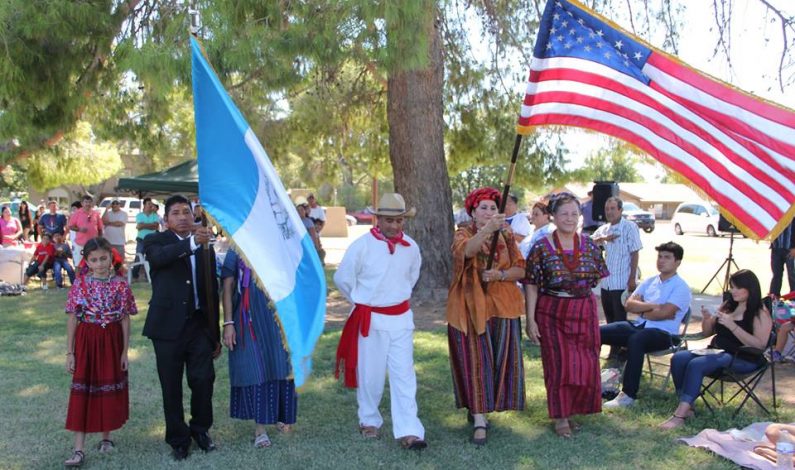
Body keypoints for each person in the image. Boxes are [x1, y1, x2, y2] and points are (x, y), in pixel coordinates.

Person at [334, 193, 427, 450]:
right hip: (371, 319)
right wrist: (361, 302)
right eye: (389, 220)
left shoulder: (411, 247)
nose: (395, 226)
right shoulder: (362, 246)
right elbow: (342, 278)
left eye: (399, 221)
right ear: (378, 220)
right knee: (370, 373)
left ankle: (410, 429)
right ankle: (369, 419)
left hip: (401, 319)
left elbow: (412, 277)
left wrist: (393, 297)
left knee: (404, 375)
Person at [524, 192, 608, 438]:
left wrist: (598, 315)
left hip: (584, 311)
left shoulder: (590, 245)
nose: (570, 218)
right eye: (564, 213)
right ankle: (561, 417)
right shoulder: (541, 246)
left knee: (584, 364)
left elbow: (598, 282)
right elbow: (530, 284)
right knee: (559, 364)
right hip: (552, 311)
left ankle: (572, 411)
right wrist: (530, 320)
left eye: (574, 213)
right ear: (553, 216)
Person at [447, 187, 526, 445]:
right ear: (472, 211)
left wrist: (501, 275)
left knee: (498, 361)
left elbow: (520, 269)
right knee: (476, 360)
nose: (489, 212)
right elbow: (467, 251)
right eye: (484, 208)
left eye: (493, 208)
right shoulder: (464, 232)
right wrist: (487, 230)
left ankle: (486, 405)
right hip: (470, 306)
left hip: (503, 304)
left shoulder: (507, 234)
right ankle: (479, 418)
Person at [143, 195, 220, 461]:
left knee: (203, 380)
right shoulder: (155, 241)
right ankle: (178, 439)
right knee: (171, 386)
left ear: (194, 214)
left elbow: (212, 289)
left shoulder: (205, 244)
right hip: (166, 328)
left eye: (186, 211)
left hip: (199, 326)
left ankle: (201, 430)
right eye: (175, 213)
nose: (182, 217)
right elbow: (160, 259)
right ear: (165, 219)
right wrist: (190, 243)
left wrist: (215, 334)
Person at [659, 269, 772, 429]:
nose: (733, 291)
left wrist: (733, 326)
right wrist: (706, 319)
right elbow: (708, 332)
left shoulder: (759, 312)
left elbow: (759, 345)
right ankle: (687, 406)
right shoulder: (728, 305)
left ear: (750, 288)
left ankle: (679, 416)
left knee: (697, 364)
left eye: (737, 287)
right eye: (732, 287)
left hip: (743, 357)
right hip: (716, 352)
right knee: (679, 358)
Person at [63, 237, 137, 467]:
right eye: (94, 259)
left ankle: (107, 439)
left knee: (108, 386)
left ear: (111, 257)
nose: (100, 263)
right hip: (87, 339)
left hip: (112, 339)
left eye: (103, 258)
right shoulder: (80, 284)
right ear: (87, 261)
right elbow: (73, 318)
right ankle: (78, 449)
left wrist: (125, 351)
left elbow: (125, 319)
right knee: (83, 389)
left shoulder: (121, 284)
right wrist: (70, 352)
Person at [600, 242, 691, 408]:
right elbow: (629, 304)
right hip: (639, 325)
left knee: (637, 339)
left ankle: (628, 395)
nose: (661, 261)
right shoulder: (650, 281)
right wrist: (653, 306)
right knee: (597, 332)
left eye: (667, 257)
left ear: (677, 262)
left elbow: (665, 314)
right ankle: (590, 382)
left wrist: (642, 308)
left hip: (665, 334)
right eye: (660, 256)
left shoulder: (681, 287)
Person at [221, 249, 297, 448]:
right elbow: (227, 286)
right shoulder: (236, 245)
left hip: (278, 317)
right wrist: (228, 322)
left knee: (281, 366)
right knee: (255, 370)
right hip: (247, 317)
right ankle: (260, 430)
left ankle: (281, 416)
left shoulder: (276, 241)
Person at [592, 197, 643, 363]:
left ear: (620, 210)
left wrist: (632, 278)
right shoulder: (604, 229)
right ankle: (614, 348)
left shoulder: (629, 227)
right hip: (607, 282)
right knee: (609, 317)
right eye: (607, 209)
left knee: (620, 318)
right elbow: (587, 242)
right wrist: (603, 239)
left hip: (622, 280)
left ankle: (620, 350)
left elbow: (635, 252)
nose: (610, 212)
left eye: (613, 208)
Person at [69, 196, 103, 267]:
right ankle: (78, 278)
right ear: (82, 203)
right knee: (78, 265)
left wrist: (100, 241)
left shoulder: (95, 214)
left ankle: (91, 278)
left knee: (93, 265)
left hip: (93, 244)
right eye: (86, 202)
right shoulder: (77, 213)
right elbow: (70, 226)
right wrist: (79, 229)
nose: (88, 204)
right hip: (80, 244)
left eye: (89, 202)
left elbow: (100, 228)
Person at [133, 198, 160, 281]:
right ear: (144, 205)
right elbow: (139, 226)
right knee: (138, 257)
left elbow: (156, 226)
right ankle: (134, 275)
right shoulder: (139, 215)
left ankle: (148, 276)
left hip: (152, 240)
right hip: (141, 240)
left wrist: (144, 225)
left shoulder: (155, 215)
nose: (151, 205)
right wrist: (150, 225)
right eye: (149, 204)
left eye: (151, 204)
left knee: (150, 257)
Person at [769, 216, 795, 298]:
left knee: (792, 275)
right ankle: (774, 297)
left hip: (790, 249)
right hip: (776, 247)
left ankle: (793, 297)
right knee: (776, 274)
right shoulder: (776, 212)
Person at [295, 197, 323, 262]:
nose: (300, 212)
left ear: (305, 211)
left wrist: (316, 246)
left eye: (302, 210)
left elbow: (313, 235)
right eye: (298, 210)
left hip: (307, 243)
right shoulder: (295, 221)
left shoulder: (308, 221)